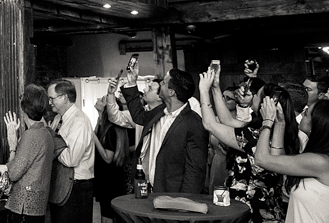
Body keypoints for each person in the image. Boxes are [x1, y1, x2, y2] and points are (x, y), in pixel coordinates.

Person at [199, 69, 301, 222]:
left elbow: (209, 124)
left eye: (257, 95)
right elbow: (228, 120)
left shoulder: (255, 137)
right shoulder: (283, 132)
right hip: (271, 209)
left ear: (265, 105)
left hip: (251, 211)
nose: (252, 98)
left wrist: (203, 90)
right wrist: (215, 87)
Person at [110, 64, 208, 194]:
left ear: (171, 92)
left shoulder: (193, 122)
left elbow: (195, 169)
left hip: (172, 193)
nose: (159, 84)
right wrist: (132, 82)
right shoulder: (159, 111)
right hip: (148, 187)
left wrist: (185, 201)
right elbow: (139, 116)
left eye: (163, 82)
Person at [254, 98, 329, 223]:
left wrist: (267, 122)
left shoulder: (323, 162)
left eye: (306, 113)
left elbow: (261, 159)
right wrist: (280, 124)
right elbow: (277, 160)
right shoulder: (325, 158)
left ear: (316, 126)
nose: (301, 115)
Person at [3, 85, 54, 223]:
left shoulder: (31, 135)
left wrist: (13, 146)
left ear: (24, 107)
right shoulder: (45, 132)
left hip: (24, 207)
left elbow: (13, 173)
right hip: (38, 205)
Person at [47, 79, 95, 223]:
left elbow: (71, 159)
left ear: (65, 97)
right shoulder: (57, 119)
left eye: (52, 98)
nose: (49, 103)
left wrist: (52, 142)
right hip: (61, 185)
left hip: (77, 188)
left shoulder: (79, 121)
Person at [91, 94, 131, 222]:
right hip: (106, 178)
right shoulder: (103, 124)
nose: (97, 99)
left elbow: (108, 158)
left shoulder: (111, 129)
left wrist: (93, 137)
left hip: (111, 180)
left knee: (108, 216)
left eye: (102, 100)